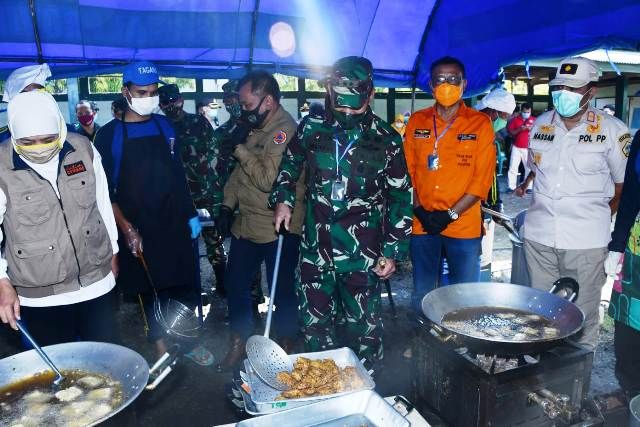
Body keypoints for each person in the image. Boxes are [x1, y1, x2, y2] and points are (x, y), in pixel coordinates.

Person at [272, 56, 413, 366]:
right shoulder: (312, 126)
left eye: (355, 107)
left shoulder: (387, 140)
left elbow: (401, 196)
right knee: (313, 326)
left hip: (362, 254)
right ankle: (323, 392)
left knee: (363, 328)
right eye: (341, 106)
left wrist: (392, 251)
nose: (347, 113)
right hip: (315, 250)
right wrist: (283, 199)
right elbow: (290, 163)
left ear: (371, 95)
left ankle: (366, 390)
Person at [518, 57, 630, 351]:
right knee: (539, 314)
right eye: (559, 87)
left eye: (573, 88)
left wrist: (599, 218)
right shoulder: (541, 125)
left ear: (591, 92)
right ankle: (538, 377)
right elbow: (535, 170)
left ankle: (574, 385)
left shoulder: (613, 130)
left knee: (581, 317)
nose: (563, 93)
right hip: (539, 236)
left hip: (585, 241)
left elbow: (622, 186)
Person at [94, 61, 201, 357]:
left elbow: (179, 175)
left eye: (153, 92)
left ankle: (186, 338)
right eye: (142, 92)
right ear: (125, 91)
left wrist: (191, 215)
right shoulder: (108, 136)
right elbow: (104, 192)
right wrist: (125, 228)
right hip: (136, 227)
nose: (149, 98)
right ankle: (160, 346)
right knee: (148, 288)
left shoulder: (165, 126)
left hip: (173, 221)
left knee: (182, 285)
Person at [0, 91, 119, 347]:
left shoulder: (83, 149)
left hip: (96, 282)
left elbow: (102, 204)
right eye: (28, 142)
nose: (39, 147)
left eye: (48, 139)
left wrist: (114, 251)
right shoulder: (1, 165)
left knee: (105, 363)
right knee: (55, 375)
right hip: (39, 294)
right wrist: (1, 281)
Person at [216, 70, 304, 371]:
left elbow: (269, 180)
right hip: (247, 223)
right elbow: (238, 177)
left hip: (278, 225)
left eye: (247, 104)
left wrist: (240, 150)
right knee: (235, 283)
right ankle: (240, 340)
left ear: (267, 101)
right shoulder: (254, 124)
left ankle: (287, 343)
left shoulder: (284, 130)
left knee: (281, 288)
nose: (243, 110)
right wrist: (227, 207)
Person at [404, 56, 495, 313]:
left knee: (465, 294)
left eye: (453, 79)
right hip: (423, 223)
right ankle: (423, 340)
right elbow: (407, 173)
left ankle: (462, 344)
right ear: (431, 85)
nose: (447, 84)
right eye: (440, 79)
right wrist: (420, 210)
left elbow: (482, 181)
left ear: (464, 84)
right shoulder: (417, 122)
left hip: (462, 224)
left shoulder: (480, 124)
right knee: (423, 290)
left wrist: (450, 214)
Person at [158, 84, 226, 295]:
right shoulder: (159, 127)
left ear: (181, 100)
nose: (171, 106)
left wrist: (215, 190)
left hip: (203, 195)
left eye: (174, 101)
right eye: (166, 103)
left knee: (212, 239)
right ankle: (188, 286)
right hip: (176, 198)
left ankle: (222, 282)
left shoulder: (198, 122)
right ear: (160, 105)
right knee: (180, 242)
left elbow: (214, 154)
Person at [604, 129, 639, 398]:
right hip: (636, 250)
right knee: (628, 322)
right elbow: (630, 196)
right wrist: (617, 245)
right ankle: (629, 388)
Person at [1, 63, 52, 142]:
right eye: (26, 94)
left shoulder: (66, 133)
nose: (37, 97)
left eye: (40, 91)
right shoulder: (3, 140)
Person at [506, 102, 535, 192]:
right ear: (521, 111)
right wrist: (520, 129)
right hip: (517, 147)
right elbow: (511, 133)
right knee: (513, 167)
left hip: (529, 148)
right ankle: (511, 187)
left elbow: (539, 133)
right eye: (525, 112)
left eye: (528, 112)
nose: (527, 114)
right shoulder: (515, 120)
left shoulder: (535, 120)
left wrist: (532, 129)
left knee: (529, 168)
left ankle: (529, 187)